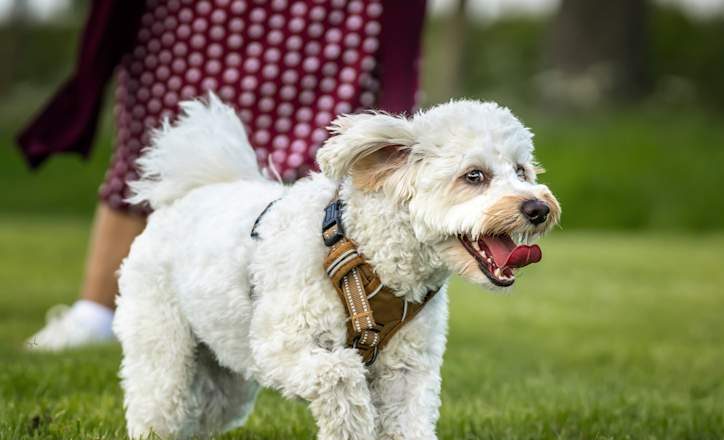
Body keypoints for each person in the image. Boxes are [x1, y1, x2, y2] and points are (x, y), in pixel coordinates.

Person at [19, 0, 427, 351]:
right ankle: (96, 313)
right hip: (198, 19)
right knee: (161, 142)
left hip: (323, 16)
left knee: (317, 166)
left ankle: (316, 316)